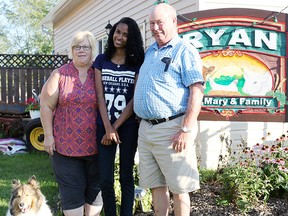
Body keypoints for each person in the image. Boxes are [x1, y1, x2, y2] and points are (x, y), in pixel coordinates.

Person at [134, 3, 204, 216]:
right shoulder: (150, 51)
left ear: (174, 22)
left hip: (172, 129)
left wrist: (185, 129)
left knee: (180, 189)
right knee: (156, 186)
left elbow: (197, 91)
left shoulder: (185, 50)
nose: (155, 28)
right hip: (147, 130)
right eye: (152, 24)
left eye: (159, 22)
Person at [40, 31, 103, 216]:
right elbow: (46, 106)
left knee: (94, 200)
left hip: (97, 148)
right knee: (73, 200)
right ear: (72, 50)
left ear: (92, 49)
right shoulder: (59, 74)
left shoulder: (99, 73)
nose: (81, 50)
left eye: (86, 46)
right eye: (77, 46)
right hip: (65, 149)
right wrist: (49, 136)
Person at [92, 17, 144, 216]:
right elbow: (99, 96)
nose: (119, 37)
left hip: (128, 126)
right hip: (103, 126)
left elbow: (134, 100)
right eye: (117, 32)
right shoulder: (101, 61)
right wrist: (107, 128)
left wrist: (115, 127)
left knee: (126, 177)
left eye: (125, 34)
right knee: (105, 178)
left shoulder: (137, 62)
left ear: (131, 39)